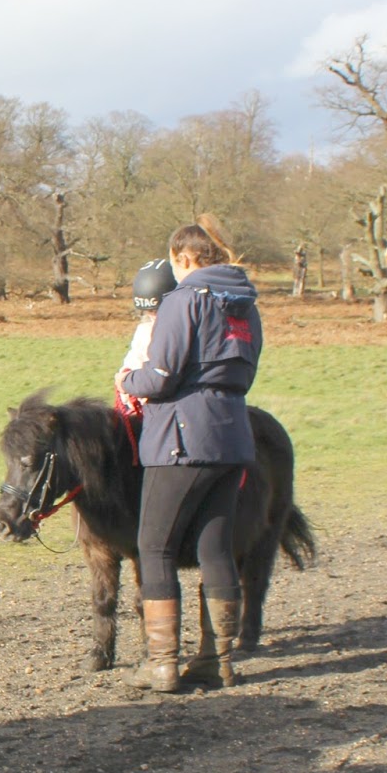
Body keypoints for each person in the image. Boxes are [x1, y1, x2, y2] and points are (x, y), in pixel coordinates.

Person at [115, 213, 263, 693]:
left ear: (184, 257)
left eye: (176, 266)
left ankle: (161, 664)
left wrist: (127, 381)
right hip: (232, 435)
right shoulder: (244, 305)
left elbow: (160, 375)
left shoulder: (184, 299)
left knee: (153, 546)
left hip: (181, 438)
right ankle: (216, 662)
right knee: (214, 548)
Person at [116, 258, 178, 418]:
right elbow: (135, 359)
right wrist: (127, 380)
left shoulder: (183, 332)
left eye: (157, 312)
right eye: (149, 313)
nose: (154, 319)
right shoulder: (144, 331)